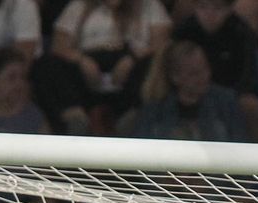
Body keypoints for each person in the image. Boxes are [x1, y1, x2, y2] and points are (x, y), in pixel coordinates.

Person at [38, 0, 173, 133]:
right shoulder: (79, 5)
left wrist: (132, 59)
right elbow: (58, 45)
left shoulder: (149, 5)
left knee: (153, 64)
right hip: (88, 65)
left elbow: (161, 44)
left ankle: (132, 117)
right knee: (46, 64)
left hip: (131, 64)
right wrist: (81, 61)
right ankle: (74, 117)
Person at [172, 0, 258, 140]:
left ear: (229, 9)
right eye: (202, 7)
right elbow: (173, 67)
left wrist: (222, 95)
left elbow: (247, 77)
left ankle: (254, 154)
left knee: (250, 104)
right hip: (191, 89)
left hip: (232, 92)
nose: (209, 14)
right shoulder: (184, 31)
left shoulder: (242, 32)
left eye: (217, 8)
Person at [127, 40, 249, 141]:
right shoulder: (155, 109)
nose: (203, 77)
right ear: (175, 77)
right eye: (194, 73)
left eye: (205, 69)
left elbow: (240, 145)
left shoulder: (225, 102)